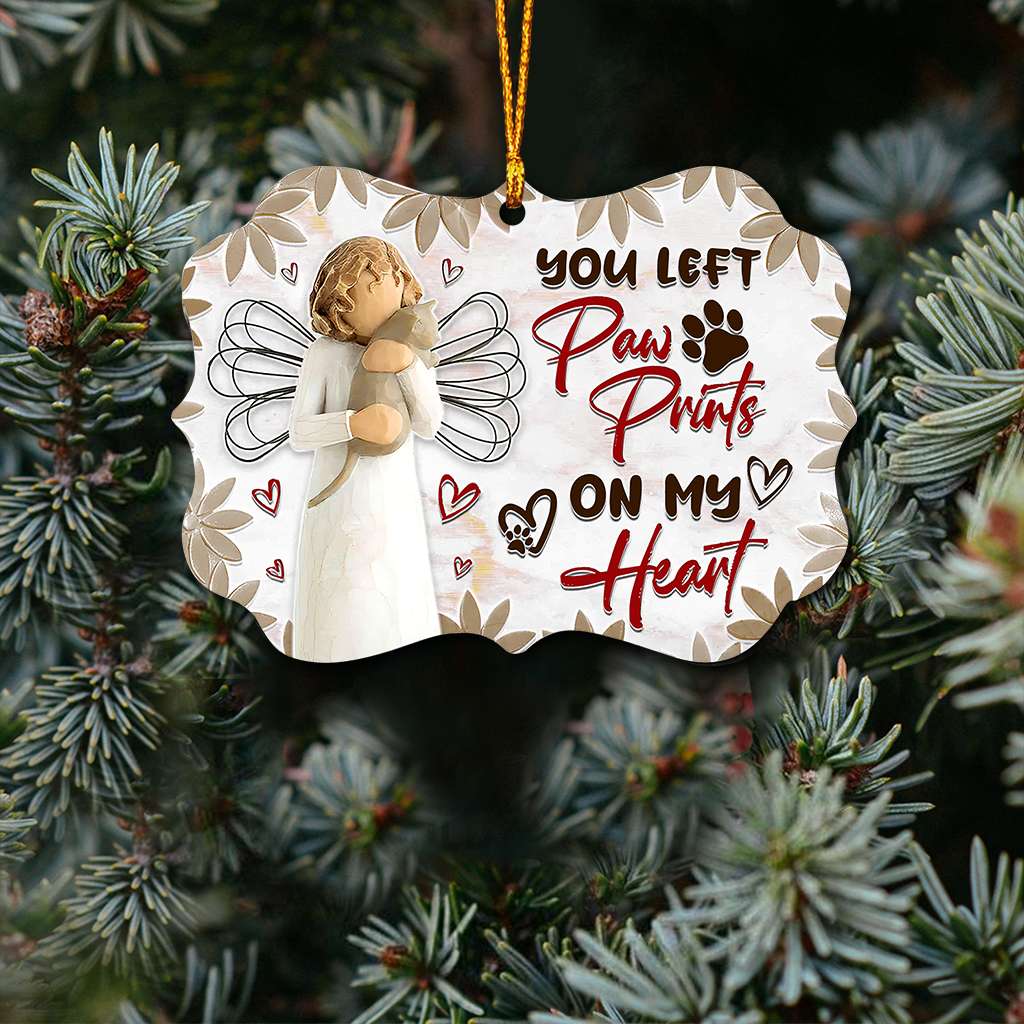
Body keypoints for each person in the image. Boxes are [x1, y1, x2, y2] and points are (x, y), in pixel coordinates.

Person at [288, 236, 443, 662]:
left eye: (388, 282)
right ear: (338, 305)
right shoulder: (324, 355)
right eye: (366, 289)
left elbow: (429, 423)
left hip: (394, 506)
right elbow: (299, 432)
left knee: (397, 598)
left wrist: (407, 367)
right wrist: (351, 424)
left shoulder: (409, 353)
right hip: (338, 508)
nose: (383, 294)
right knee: (338, 606)